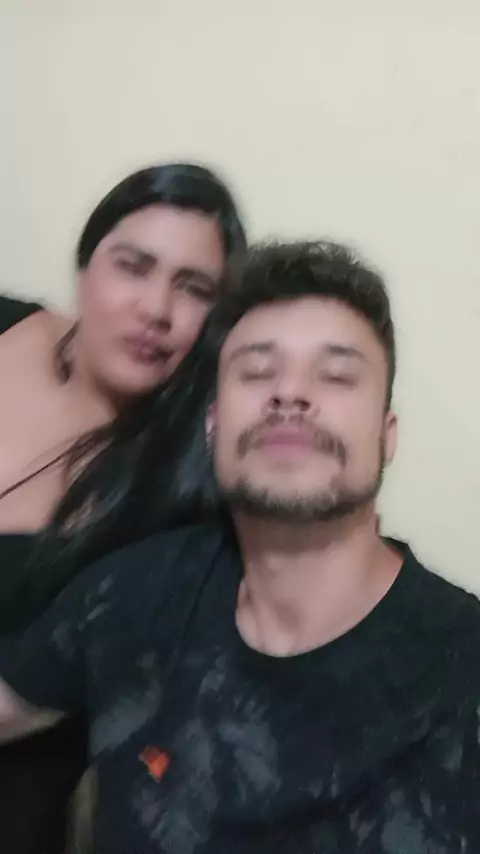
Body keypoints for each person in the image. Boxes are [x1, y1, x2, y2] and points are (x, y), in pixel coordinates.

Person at [1, 240, 480, 854]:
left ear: (386, 438)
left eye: (336, 375)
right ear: (214, 427)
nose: (290, 393)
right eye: (257, 371)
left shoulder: (463, 671)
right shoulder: (132, 595)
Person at [0, 162, 246, 854]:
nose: (156, 309)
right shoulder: (10, 325)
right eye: (133, 267)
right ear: (86, 269)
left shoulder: (180, 499)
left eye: (193, 288)